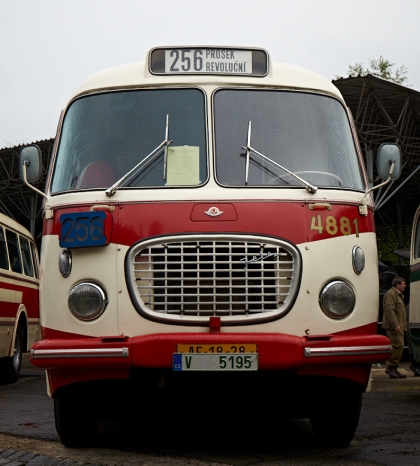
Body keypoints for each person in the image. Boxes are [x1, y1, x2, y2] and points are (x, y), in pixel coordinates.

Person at [382, 276, 407, 378]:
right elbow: (390, 311)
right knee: (398, 345)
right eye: (403, 283)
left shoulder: (398, 295)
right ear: (397, 285)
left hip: (399, 325)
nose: (405, 285)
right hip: (394, 326)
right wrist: (395, 325)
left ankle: (394, 368)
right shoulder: (391, 294)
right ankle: (390, 367)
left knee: (399, 346)